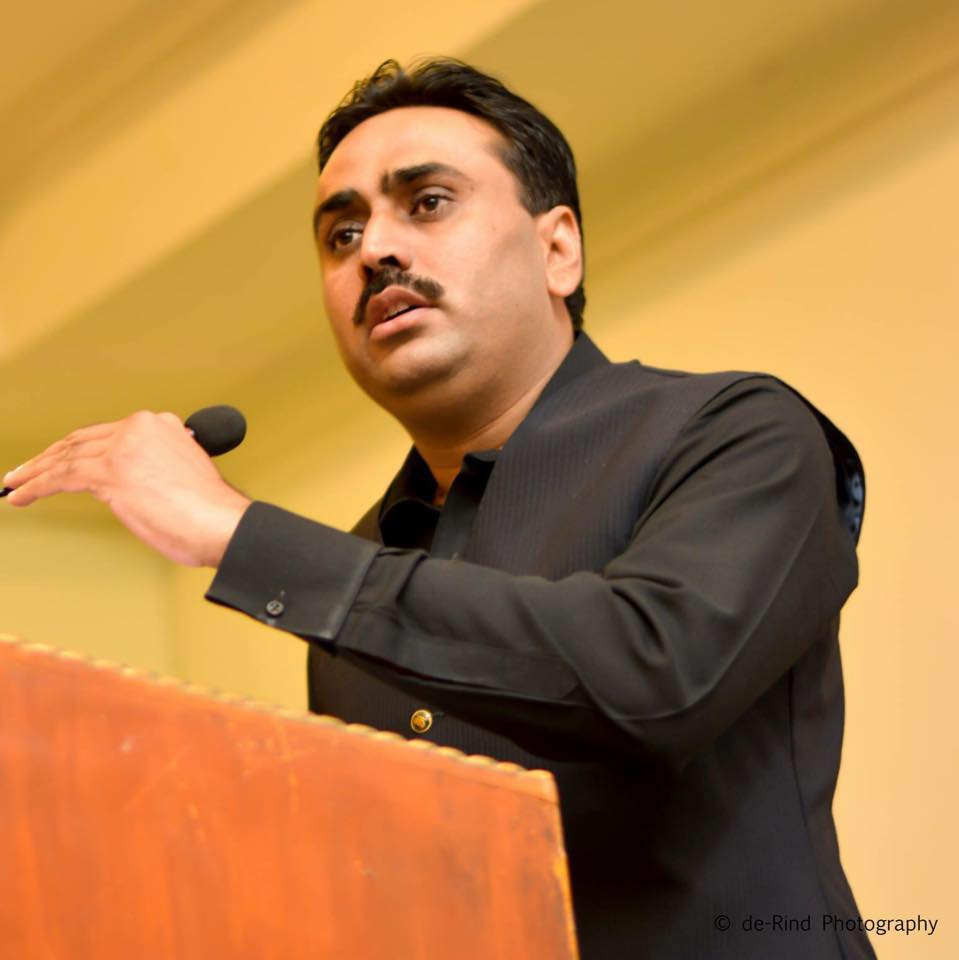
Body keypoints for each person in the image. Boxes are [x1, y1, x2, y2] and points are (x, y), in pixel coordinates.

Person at [3, 59, 873, 959]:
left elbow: (657, 675)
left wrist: (238, 534)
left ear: (558, 250)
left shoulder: (734, 430)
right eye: (341, 233)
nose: (373, 250)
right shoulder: (359, 561)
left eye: (426, 203)